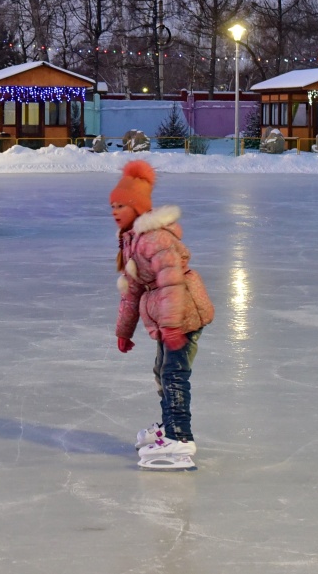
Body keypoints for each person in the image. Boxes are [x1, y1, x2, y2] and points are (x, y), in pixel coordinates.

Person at [112, 160, 213, 470]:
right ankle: (170, 427)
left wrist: (171, 327)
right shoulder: (132, 241)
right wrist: (123, 331)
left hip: (182, 316)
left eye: (121, 205)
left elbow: (171, 283)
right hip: (168, 320)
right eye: (112, 205)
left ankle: (180, 438)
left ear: (138, 208)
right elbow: (132, 292)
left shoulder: (155, 239)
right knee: (163, 372)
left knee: (174, 376)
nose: (114, 211)